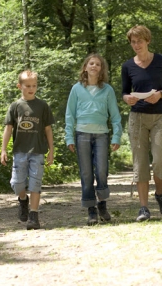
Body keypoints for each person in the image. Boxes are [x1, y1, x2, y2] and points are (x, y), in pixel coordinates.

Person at [121, 25, 162, 222]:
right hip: (137, 117)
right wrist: (127, 98)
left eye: (140, 41)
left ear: (147, 41)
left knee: (159, 158)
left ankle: (160, 194)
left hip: (160, 116)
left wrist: (161, 94)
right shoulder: (127, 66)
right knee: (140, 162)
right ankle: (143, 208)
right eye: (133, 42)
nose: (136, 45)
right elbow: (124, 92)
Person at [65, 53, 122, 225]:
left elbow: (115, 116)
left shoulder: (107, 90)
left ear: (101, 69)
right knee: (86, 173)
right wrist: (69, 137)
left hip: (101, 135)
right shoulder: (76, 89)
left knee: (102, 170)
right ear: (85, 67)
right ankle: (91, 210)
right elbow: (69, 114)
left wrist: (116, 135)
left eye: (98, 64)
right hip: (81, 134)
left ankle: (102, 203)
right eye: (91, 63)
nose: (94, 66)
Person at [1, 70, 55, 230]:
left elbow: (48, 130)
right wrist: (3, 149)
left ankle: (34, 215)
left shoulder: (42, 106)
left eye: (34, 85)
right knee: (18, 184)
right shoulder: (15, 106)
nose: (32, 88)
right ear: (20, 86)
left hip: (38, 151)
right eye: (28, 86)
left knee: (35, 184)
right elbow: (9, 129)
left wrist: (51, 150)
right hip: (19, 152)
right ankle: (23, 200)